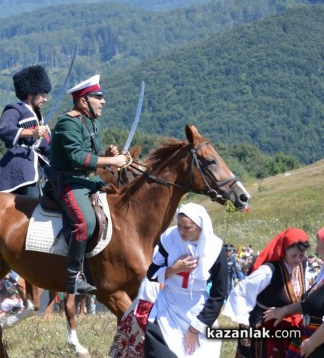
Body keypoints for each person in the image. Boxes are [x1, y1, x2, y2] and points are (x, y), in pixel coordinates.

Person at [47, 74, 131, 294]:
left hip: (88, 179)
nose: (103, 101)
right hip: (68, 182)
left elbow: (92, 154)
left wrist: (107, 153)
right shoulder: (68, 122)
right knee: (85, 223)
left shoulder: (92, 121)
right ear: (83, 101)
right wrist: (112, 160)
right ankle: (73, 277)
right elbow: (77, 157)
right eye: (98, 97)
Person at [144, 203, 227, 357]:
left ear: (200, 227)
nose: (181, 231)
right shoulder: (169, 238)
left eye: (187, 228)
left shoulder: (215, 249)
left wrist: (195, 329)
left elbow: (219, 294)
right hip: (168, 305)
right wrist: (174, 269)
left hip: (197, 308)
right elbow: (152, 274)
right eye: (179, 225)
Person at [222, 227, 310, 358]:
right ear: (284, 250)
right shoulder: (268, 270)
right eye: (293, 255)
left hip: (290, 327)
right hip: (264, 328)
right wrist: (244, 326)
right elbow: (242, 292)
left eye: (301, 255)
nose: (297, 260)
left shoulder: (303, 264)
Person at [0, 65, 51, 198]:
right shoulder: (15, 109)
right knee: (34, 198)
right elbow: (4, 129)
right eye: (42, 94)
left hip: (42, 162)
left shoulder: (40, 117)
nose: (45, 98)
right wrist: (31, 133)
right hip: (21, 162)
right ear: (30, 93)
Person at [260, 227, 324, 358]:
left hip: (317, 343)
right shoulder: (322, 272)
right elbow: (310, 303)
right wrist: (284, 310)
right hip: (308, 336)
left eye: (319, 245)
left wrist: (312, 343)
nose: (316, 250)